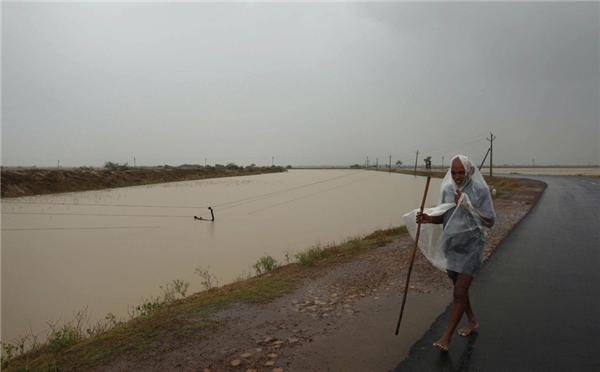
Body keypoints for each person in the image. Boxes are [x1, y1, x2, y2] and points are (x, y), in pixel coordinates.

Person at [414, 154, 495, 351]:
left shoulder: (480, 190)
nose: (458, 176)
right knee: (460, 290)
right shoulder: (448, 188)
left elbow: (490, 221)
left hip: (472, 246)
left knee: (459, 291)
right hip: (452, 245)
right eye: (454, 172)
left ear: (469, 171)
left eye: (461, 172)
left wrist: (468, 206)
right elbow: (445, 216)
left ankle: (446, 337)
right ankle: (472, 320)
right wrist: (428, 218)